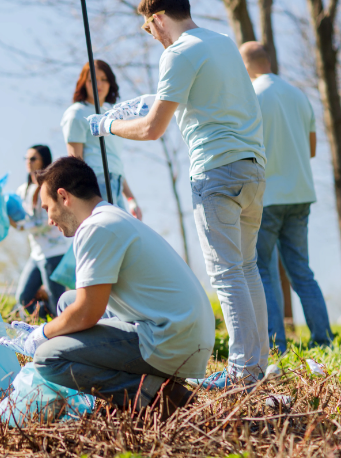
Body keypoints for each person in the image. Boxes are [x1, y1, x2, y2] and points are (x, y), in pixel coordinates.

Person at [90, 0, 268, 389]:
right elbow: (200, 98)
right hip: (253, 167)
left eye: (147, 28)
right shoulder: (221, 41)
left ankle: (241, 373)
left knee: (226, 271)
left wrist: (108, 126)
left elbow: (153, 129)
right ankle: (255, 368)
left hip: (216, 170)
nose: (150, 35)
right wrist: (141, 104)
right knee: (247, 267)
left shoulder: (177, 53)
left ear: (156, 19)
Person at [0, 157, 214, 414]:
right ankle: (149, 385)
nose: (49, 220)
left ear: (64, 196)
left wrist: (43, 334)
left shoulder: (96, 228)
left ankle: (158, 394)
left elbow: (87, 313)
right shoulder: (111, 218)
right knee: (67, 301)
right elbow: (81, 306)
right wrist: (52, 330)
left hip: (171, 341)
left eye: (47, 208)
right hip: (182, 332)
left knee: (49, 358)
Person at [239, 42, 333, 354]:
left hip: (268, 196)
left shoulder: (251, 96)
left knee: (263, 269)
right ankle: (324, 341)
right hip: (301, 194)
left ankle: (277, 345)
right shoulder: (299, 95)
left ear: (247, 64)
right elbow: (312, 149)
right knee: (301, 271)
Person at [61, 60, 141, 217]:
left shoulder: (112, 115)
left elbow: (114, 162)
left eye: (104, 79)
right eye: (92, 80)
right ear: (84, 83)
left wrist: (131, 198)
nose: (99, 84)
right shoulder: (77, 113)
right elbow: (75, 162)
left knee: (123, 236)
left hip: (116, 183)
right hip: (96, 184)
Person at [12, 145, 70, 318]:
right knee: (23, 298)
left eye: (33, 159)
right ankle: (51, 324)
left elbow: (47, 221)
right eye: (26, 159)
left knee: (57, 301)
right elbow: (20, 215)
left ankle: (65, 331)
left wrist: (20, 226)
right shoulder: (23, 190)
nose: (28, 162)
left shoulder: (51, 186)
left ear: (43, 161)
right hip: (36, 254)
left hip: (54, 252)